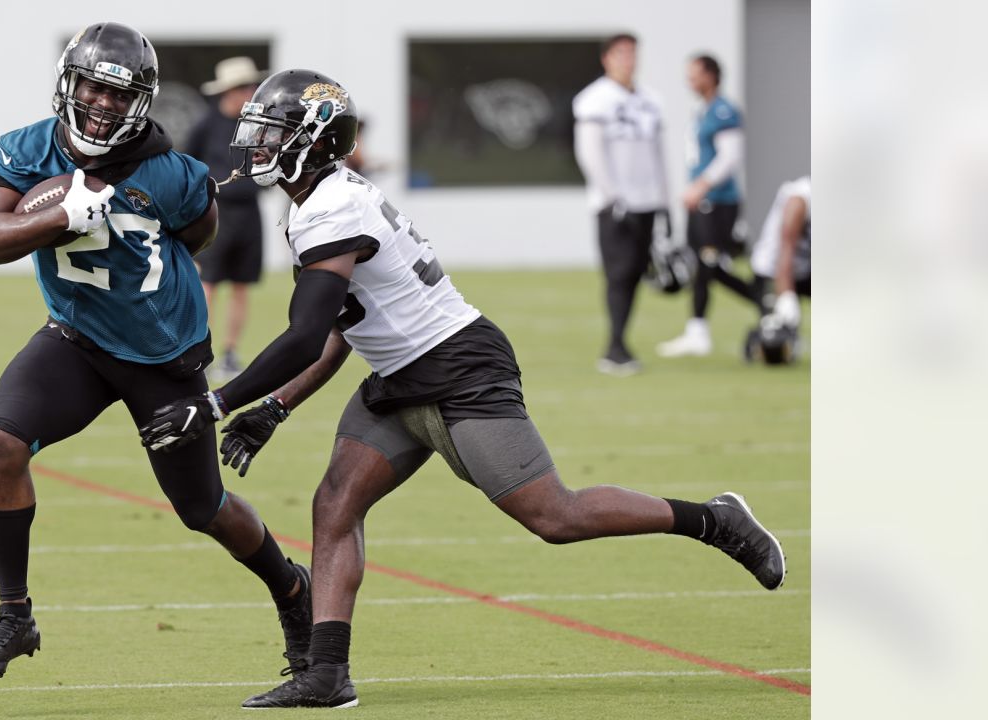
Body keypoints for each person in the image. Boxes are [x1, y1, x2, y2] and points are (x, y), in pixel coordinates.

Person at [138, 69, 788, 709]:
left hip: (457, 366)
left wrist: (219, 402)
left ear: (313, 139)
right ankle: (327, 673)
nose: (256, 143)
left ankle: (714, 520)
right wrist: (276, 407)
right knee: (334, 505)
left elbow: (306, 335)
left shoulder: (330, 208)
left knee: (554, 518)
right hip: (397, 375)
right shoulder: (318, 200)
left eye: (272, 131)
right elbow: (342, 327)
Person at [0, 23, 310, 683]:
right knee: (1, 443)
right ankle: (14, 615)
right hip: (76, 338)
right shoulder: (27, 149)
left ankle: (292, 587)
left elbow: (198, 234)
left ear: (141, 101)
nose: (102, 103)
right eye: (92, 85)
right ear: (70, 83)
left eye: (119, 95)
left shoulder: (174, 173)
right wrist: (58, 216)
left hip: (163, 357)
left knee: (201, 508)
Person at [573, 33, 671, 376]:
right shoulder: (594, 99)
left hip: (646, 202)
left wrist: (664, 202)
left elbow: (658, 156)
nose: (628, 59)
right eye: (621, 53)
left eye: (632, 52)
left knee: (635, 275)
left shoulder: (651, 100)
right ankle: (614, 347)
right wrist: (613, 196)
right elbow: (590, 153)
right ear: (606, 58)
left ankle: (620, 342)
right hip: (614, 205)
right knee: (619, 273)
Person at [658, 54, 758, 357]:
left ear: (711, 75)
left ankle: (768, 304)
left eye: (695, 74)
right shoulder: (702, 110)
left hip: (718, 202)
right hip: (701, 201)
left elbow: (731, 157)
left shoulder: (724, 111)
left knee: (711, 265)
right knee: (702, 266)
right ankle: (697, 330)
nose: (690, 80)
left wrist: (701, 186)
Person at [184, 57, 268, 381]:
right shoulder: (206, 125)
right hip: (217, 213)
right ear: (227, 91)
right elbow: (189, 164)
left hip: (249, 213)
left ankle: (231, 353)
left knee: (241, 285)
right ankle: (198, 351)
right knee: (207, 283)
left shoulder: (257, 126)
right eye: (243, 88)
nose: (248, 93)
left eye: (251, 87)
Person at [751, 175, 812, 324]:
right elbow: (785, 249)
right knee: (777, 338)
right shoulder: (799, 199)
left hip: (805, 270)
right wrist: (786, 298)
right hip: (773, 271)